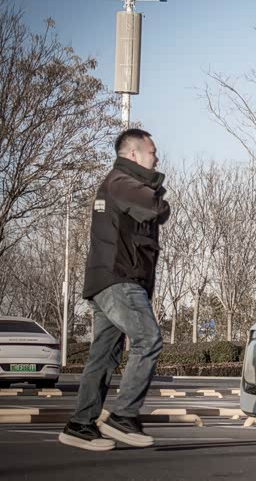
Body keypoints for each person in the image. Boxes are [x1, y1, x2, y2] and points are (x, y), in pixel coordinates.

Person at [59, 129, 170, 451]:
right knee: (148, 339)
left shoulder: (117, 183)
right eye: (152, 152)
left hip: (108, 281)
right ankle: (123, 416)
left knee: (104, 355)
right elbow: (156, 208)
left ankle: (80, 424)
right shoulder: (122, 182)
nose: (156, 158)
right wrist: (157, 191)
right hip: (119, 280)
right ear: (133, 154)